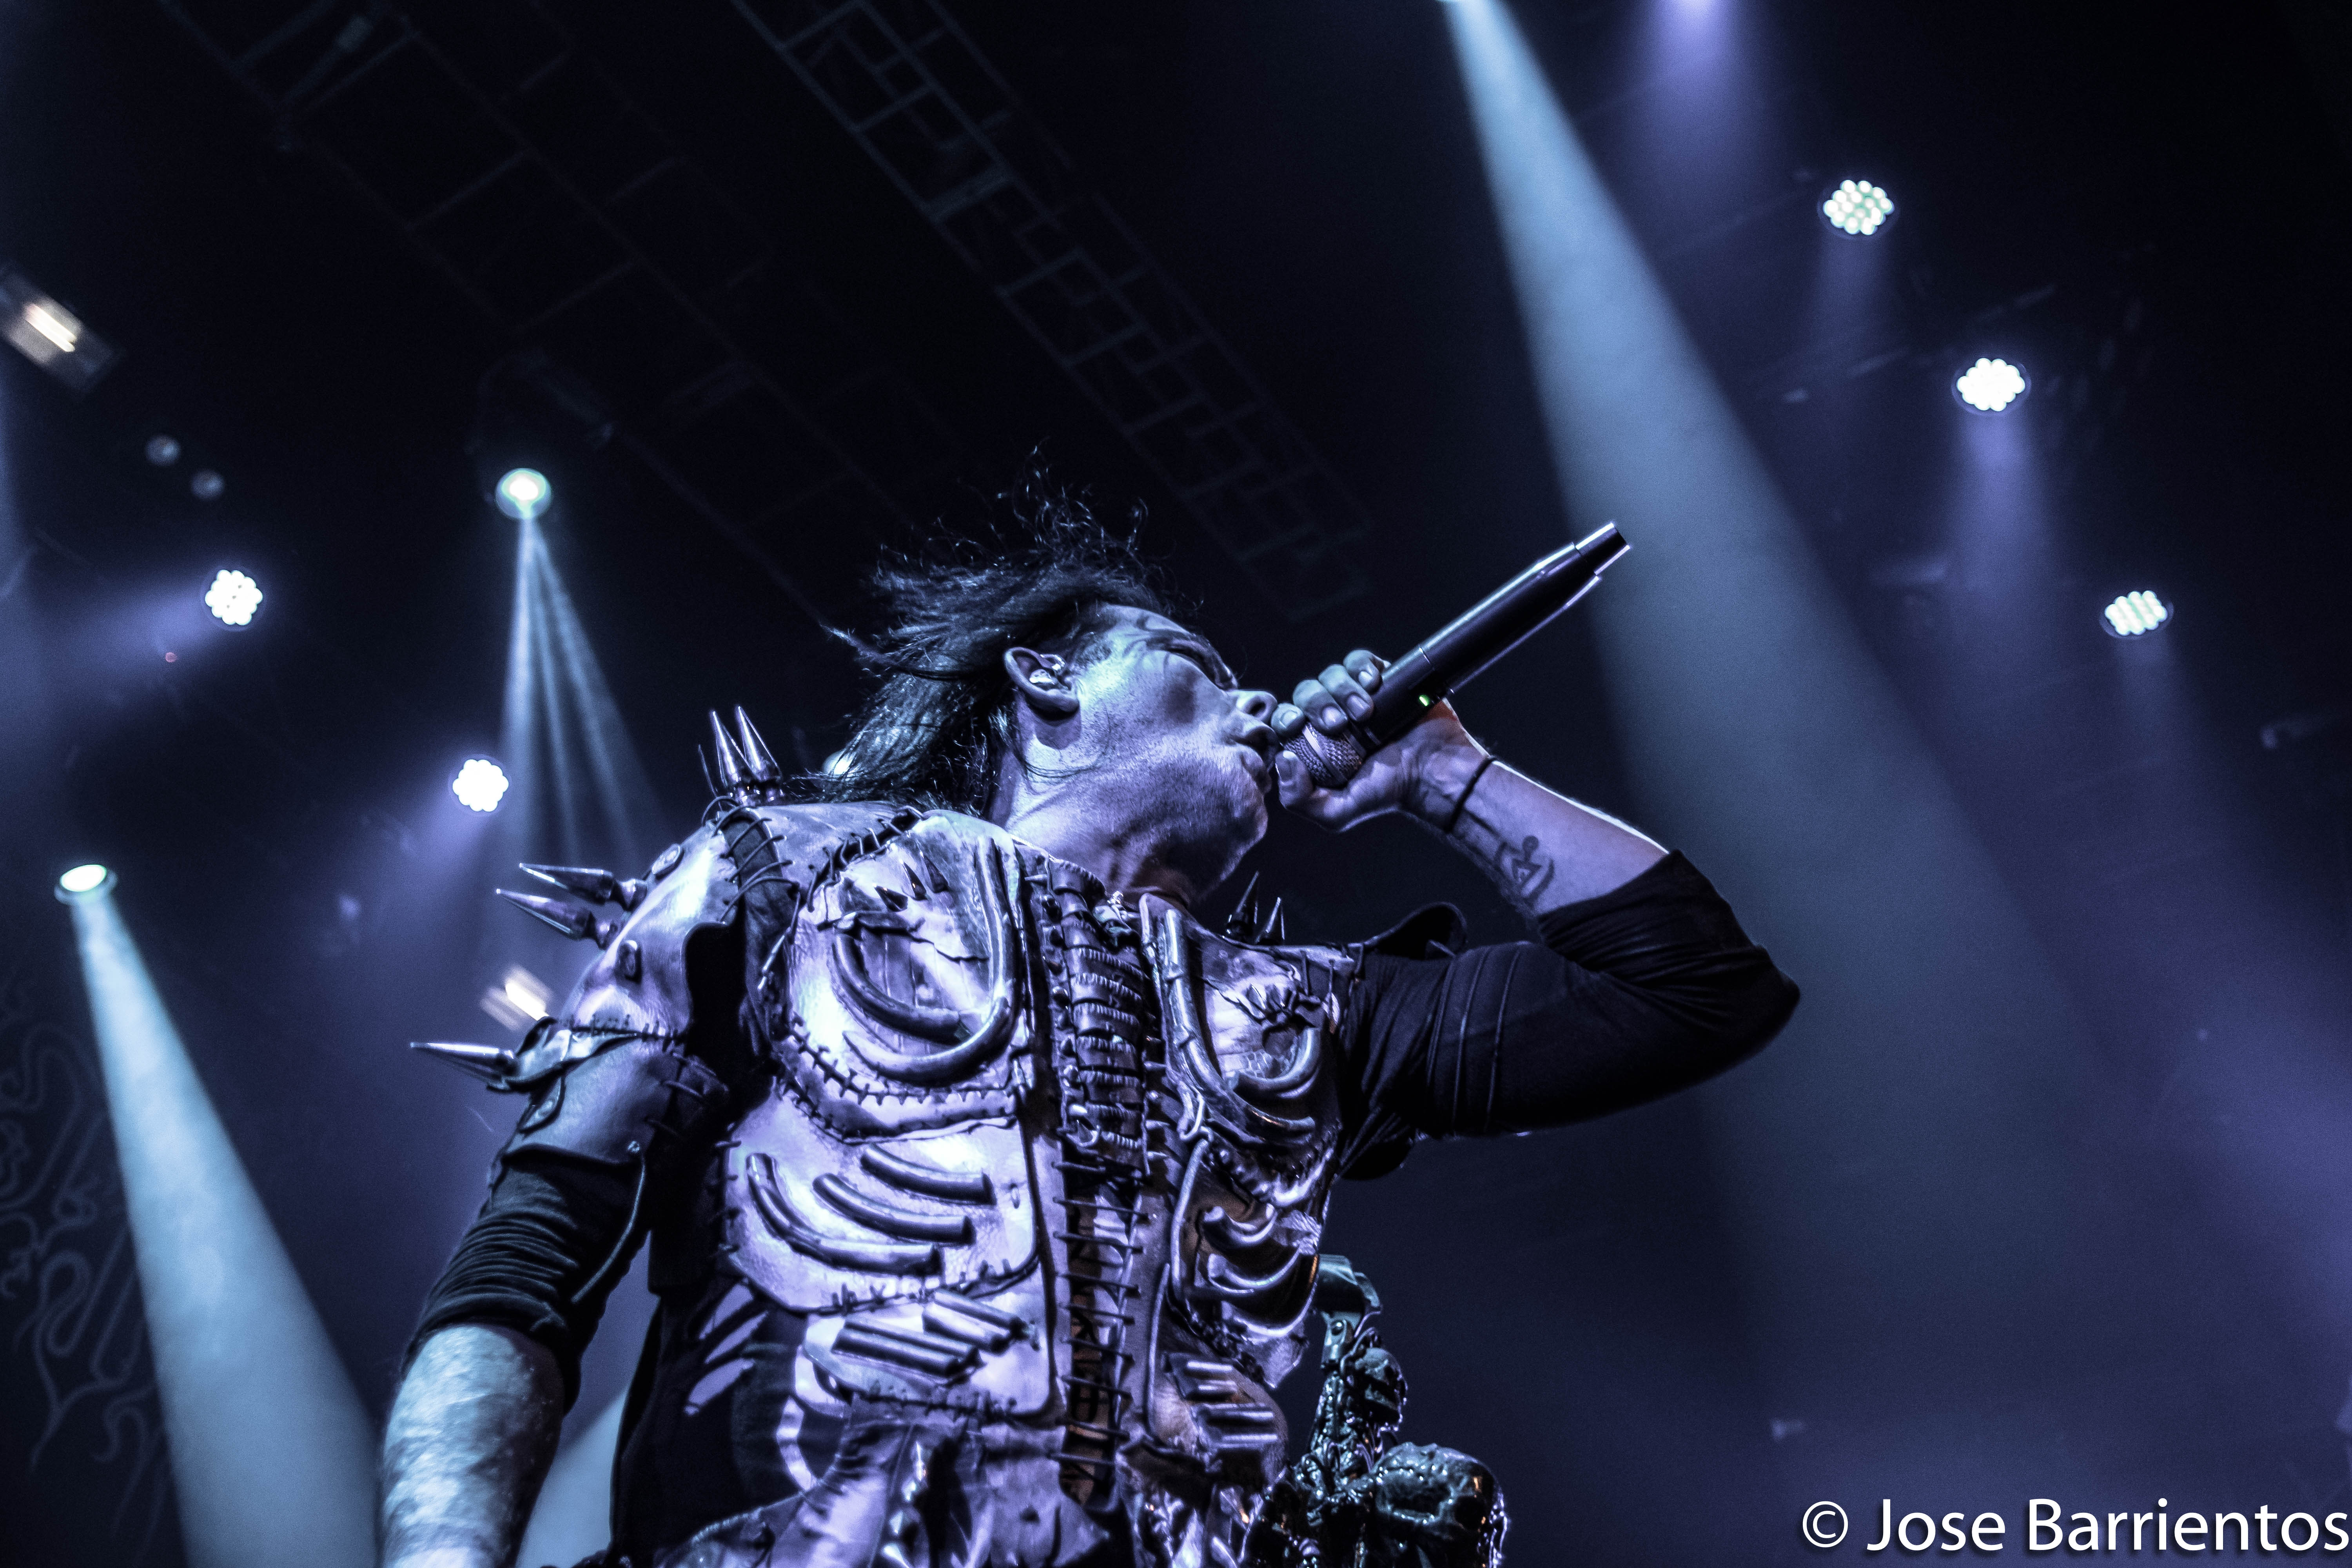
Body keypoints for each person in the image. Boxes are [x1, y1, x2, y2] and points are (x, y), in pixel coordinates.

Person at [379, 507, 1799, 1568]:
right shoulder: (792, 869)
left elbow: (1696, 991)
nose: (1258, 703)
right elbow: (530, 1261)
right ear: (1046, 680)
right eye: (1196, 664)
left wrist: (1443, 773)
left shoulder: (1307, 1016)